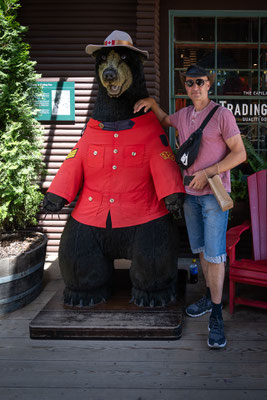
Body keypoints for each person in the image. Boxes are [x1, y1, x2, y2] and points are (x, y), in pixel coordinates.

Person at [134, 64, 246, 349]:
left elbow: (240, 154)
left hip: (213, 197)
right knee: (202, 253)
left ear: (209, 84)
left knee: (216, 255)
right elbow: (164, 120)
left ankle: (217, 316)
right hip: (189, 196)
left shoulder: (222, 115)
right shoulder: (183, 116)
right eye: (189, 83)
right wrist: (153, 104)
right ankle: (210, 298)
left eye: (200, 82)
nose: (194, 87)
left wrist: (208, 173)